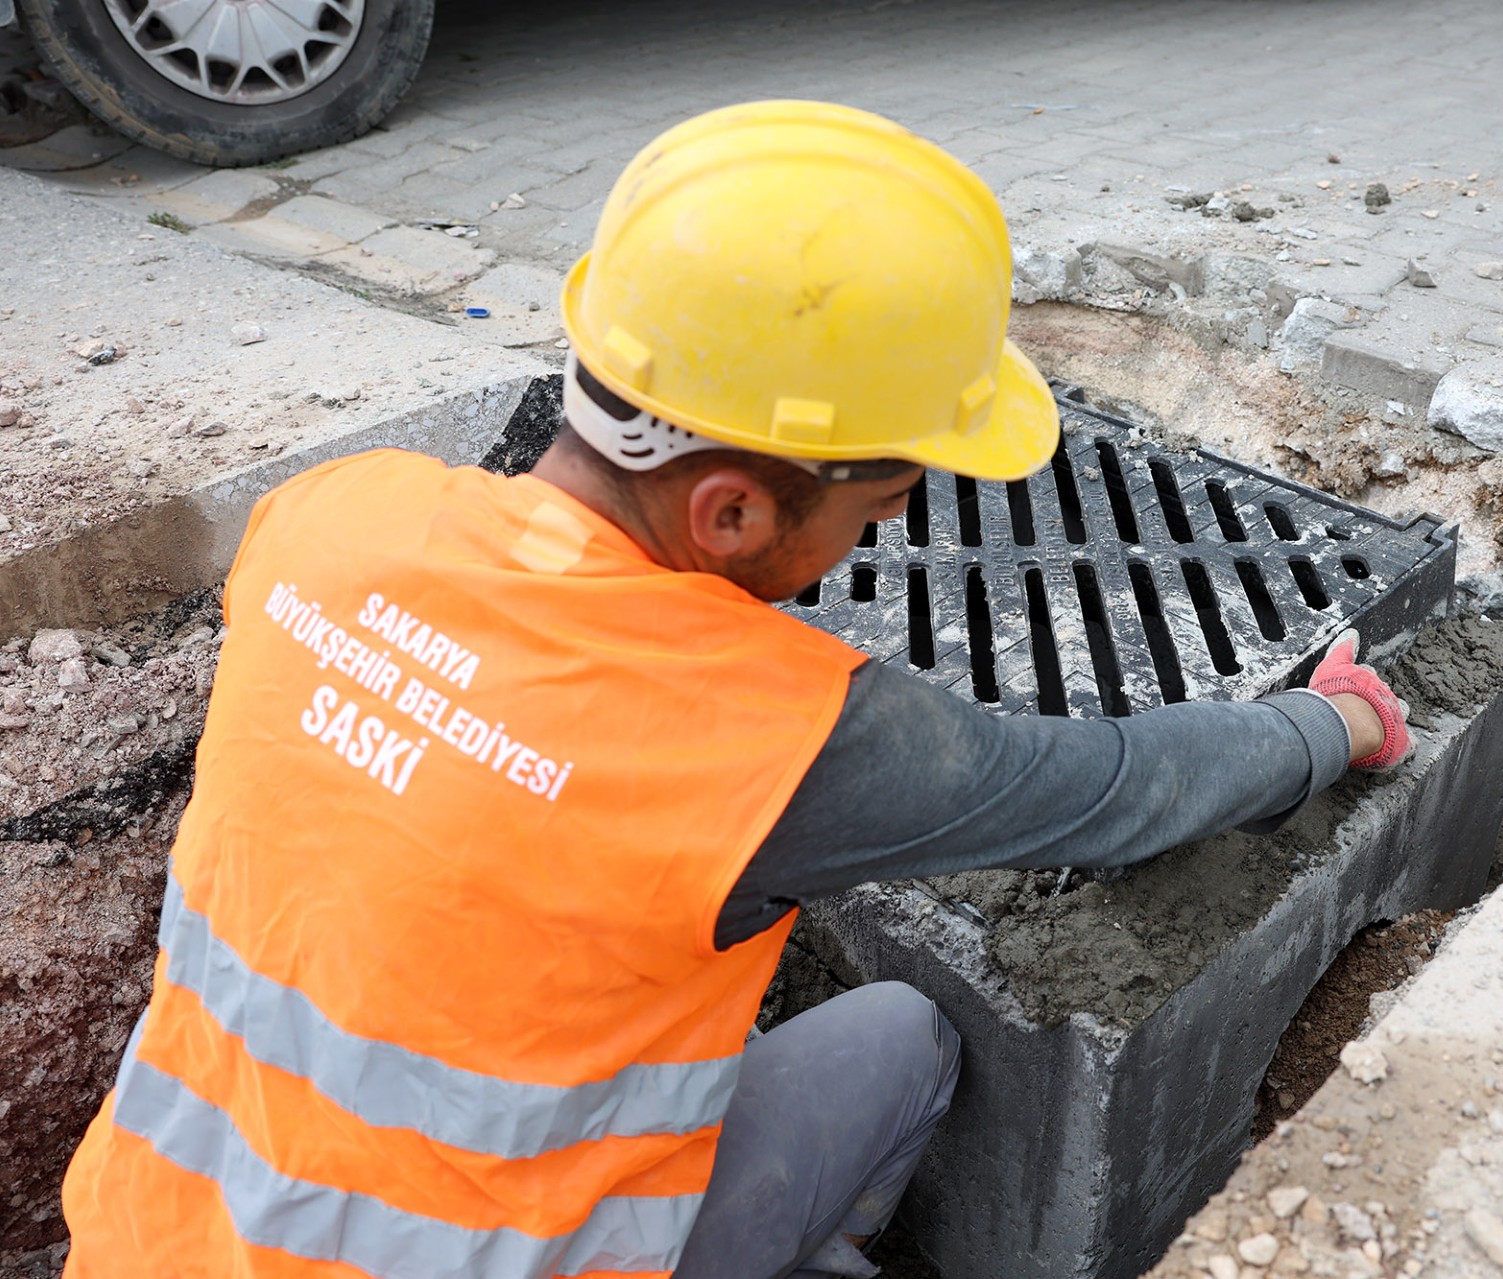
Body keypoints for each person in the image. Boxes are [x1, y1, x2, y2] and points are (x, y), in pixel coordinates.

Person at [60, 101, 1414, 1279]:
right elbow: (1118, 793)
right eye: (886, 497)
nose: (888, 533)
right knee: (903, 1038)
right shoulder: (772, 738)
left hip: (150, 1244)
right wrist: (1336, 722)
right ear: (727, 515)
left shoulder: (328, 520)